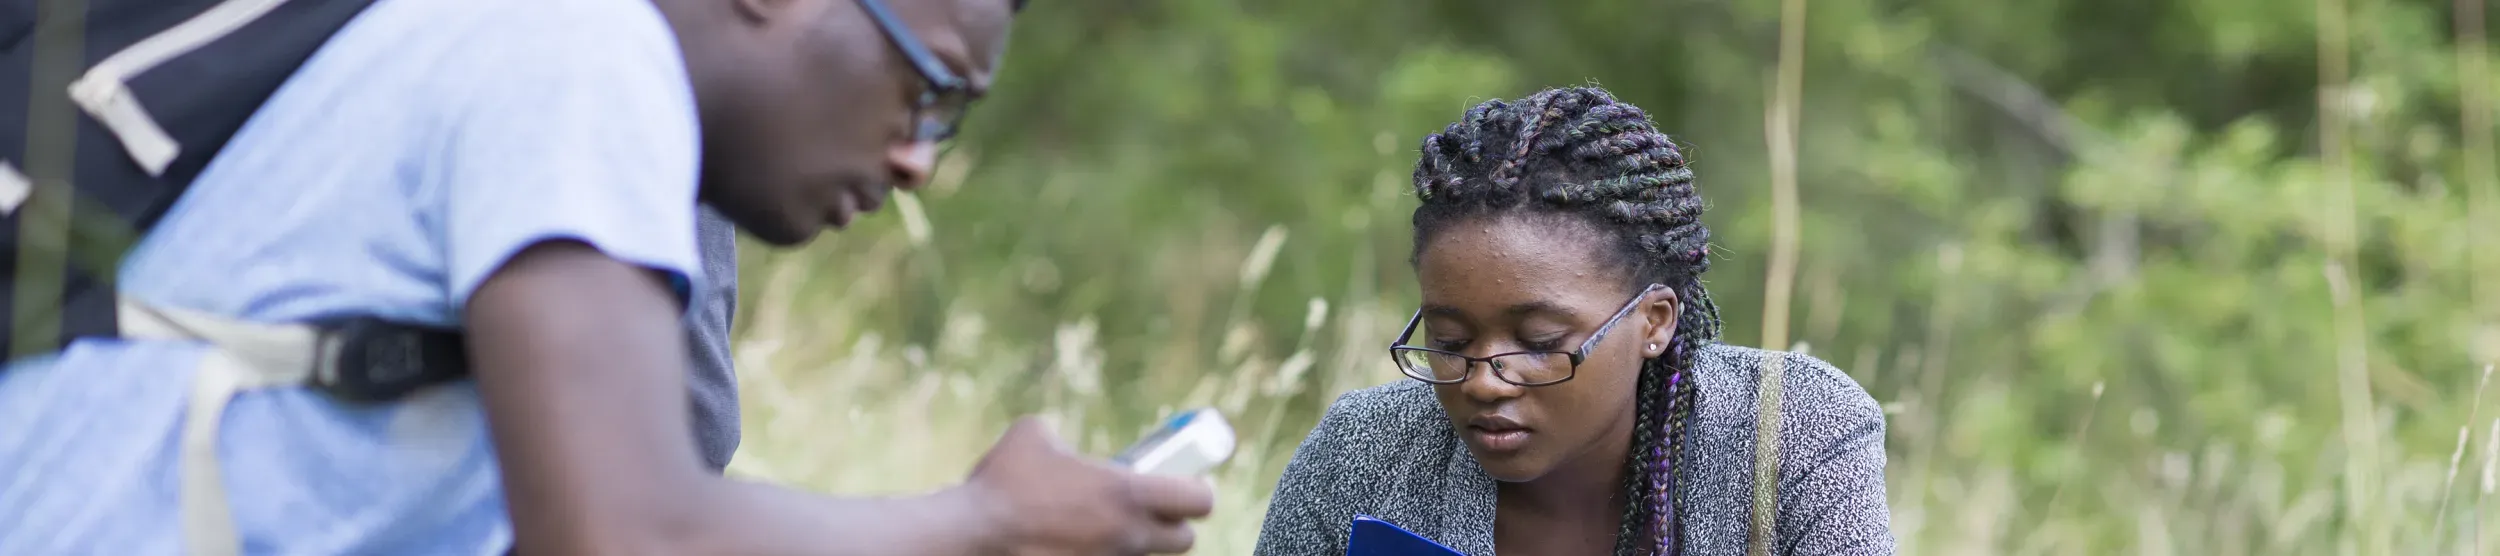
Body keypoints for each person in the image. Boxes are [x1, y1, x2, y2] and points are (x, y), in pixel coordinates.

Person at [0, 0, 1215, 554]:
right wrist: (986, 517)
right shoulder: (582, 52)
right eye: (928, 88)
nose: (917, 160)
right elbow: (626, 532)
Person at [1251, 86, 1894, 556]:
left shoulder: (1790, 429)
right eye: (1449, 341)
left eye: (1540, 342)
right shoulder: (1364, 453)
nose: (1484, 382)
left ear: (1654, 321)